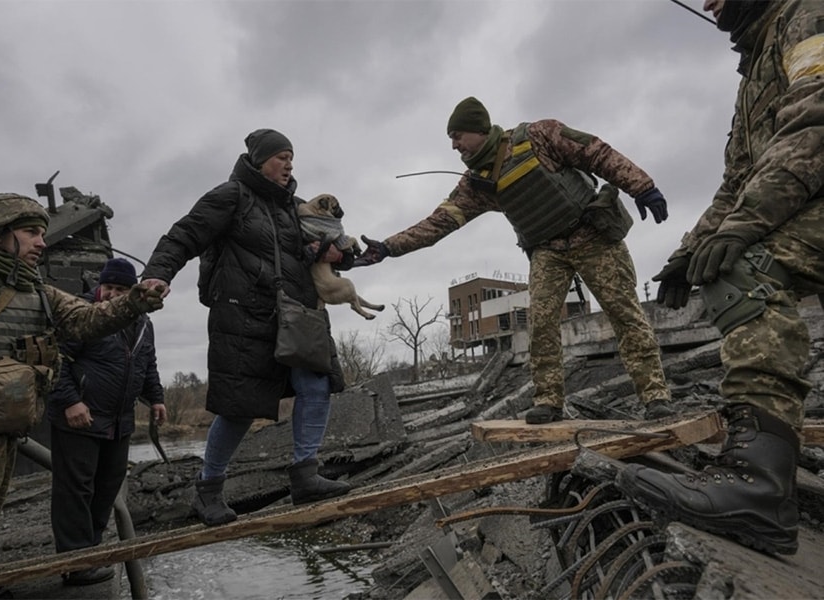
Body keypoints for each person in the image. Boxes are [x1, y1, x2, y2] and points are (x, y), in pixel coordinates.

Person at [618, 0, 824, 556]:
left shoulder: (807, 15)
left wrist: (739, 232)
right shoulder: (755, 66)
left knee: (743, 269)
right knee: (721, 262)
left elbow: (817, 117)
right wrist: (689, 252)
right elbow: (738, 180)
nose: (708, 2)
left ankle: (758, 487)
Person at [354, 97, 674, 424]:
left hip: (592, 235)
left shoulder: (538, 136)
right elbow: (437, 224)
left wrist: (641, 185)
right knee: (541, 323)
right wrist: (388, 247)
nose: (454, 145)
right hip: (548, 251)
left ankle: (655, 397)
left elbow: (595, 151)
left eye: (457, 135)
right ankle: (549, 400)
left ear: (479, 129)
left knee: (625, 314)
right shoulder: (476, 183)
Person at [0, 193, 163, 598]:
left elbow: (87, 319)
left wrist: (138, 299)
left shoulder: (36, 291)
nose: (42, 242)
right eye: (31, 232)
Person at [141, 128, 353, 526]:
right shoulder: (231, 195)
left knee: (316, 383)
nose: (289, 164)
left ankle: (306, 474)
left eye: (292, 157)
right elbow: (183, 234)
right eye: (280, 157)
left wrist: (342, 254)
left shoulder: (296, 208)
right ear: (259, 160)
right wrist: (158, 273)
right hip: (244, 315)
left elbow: (316, 248)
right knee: (240, 407)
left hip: (298, 313)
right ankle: (209, 490)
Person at [47, 257, 167, 587]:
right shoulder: (80, 313)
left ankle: (93, 551)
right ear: (99, 286)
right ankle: (76, 563)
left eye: (121, 289)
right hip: (79, 416)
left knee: (108, 486)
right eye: (108, 287)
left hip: (119, 419)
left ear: (133, 291)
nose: (113, 294)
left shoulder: (142, 320)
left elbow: (147, 361)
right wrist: (71, 400)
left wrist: (156, 397)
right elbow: (55, 360)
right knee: (76, 489)